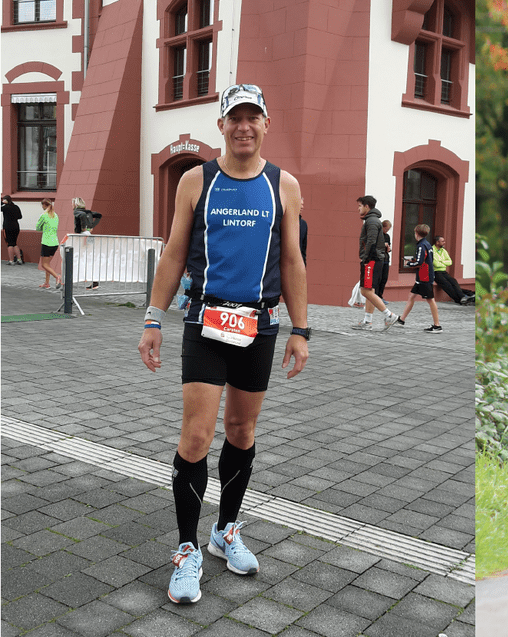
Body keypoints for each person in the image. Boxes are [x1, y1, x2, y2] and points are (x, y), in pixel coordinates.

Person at [137, 83, 310, 605]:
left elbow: (293, 260)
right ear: (221, 125)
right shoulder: (196, 180)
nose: (244, 126)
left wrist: (301, 330)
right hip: (204, 321)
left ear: (266, 124)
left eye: (253, 117)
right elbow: (173, 252)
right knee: (196, 436)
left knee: (241, 430)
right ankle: (187, 549)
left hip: (259, 325)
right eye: (235, 117)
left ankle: (224, 531)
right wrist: (153, 318)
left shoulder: (284, 185)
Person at [353, 195, 400, 330]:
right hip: (375, 259)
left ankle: (389, 315)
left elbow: (371, 241)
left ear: (367, 206)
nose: (358, 209)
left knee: (365, 291)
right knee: (370, 290)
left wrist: (366, 258)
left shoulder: (372, 221)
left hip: (371, 260)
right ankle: (368, 321)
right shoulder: (373, 220)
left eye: (360, 206)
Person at [395, 224, 442, 333]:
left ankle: (437, 325)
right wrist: (414, 259)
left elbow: (420, 262)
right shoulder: (427, 244)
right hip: (423, 276)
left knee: (430, 300)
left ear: (416, 234)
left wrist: (409, 264)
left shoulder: (421, 245)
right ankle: (401, 320)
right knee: (411, 296)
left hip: (424, 277)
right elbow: (425, 258)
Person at [433, 235, 475, 305]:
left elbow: (450, 262)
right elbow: (436, 264)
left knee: (454, 281)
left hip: (444, 272)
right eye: (442, 241)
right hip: (436, 272)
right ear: (437, 242)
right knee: (447, 285)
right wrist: (444, 263)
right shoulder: (432, 251)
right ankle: (461, 299)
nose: (444, 242)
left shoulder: (443, 251)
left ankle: (463, 297)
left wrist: (441, 262)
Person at [71, 197, 102, 289]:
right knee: (89, 257)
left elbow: (82, 216)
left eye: (72, 203)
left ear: (76, 204)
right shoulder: (88, 212)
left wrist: (84, 227)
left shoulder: (77, 212)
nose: (72, 205)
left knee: (77, 257)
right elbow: (99, 215)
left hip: (82, 235)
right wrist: (92, 226)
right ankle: (94, 282)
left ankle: (72, 278)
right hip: (89, 235)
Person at [36, 198, 62, 289]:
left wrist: (43, 227)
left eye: (42, 205)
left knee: (44, 264)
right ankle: (47, 283)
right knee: (48, 264)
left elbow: (37, 228)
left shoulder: (44, 215)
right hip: (55, 242)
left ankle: (57, 277)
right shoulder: (56, 215)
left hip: (46, 242)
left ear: (44, 205)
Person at [2, 195, 24, 265]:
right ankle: (19, 259)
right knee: (14, 243)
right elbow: (20, 217)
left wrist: (2, 203)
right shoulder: (16, 207)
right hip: (16, 227)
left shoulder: (5, 207)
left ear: (5, 200)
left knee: (10, 244)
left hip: (8, 227)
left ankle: (11, 261)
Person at [374, 219, 391, 301]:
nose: (387, 231)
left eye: (388, 230)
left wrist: (388, 248)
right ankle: (376, 295)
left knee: (384, 278)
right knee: (378, 278)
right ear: (382, 227)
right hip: (379, 259)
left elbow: (388, 248)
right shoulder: (377, 235)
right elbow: (375, 246)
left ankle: (380, 295)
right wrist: (383, 244)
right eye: (386, 229)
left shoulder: (387, 236)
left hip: (386, 258)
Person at [298, 198, 308, 265]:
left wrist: (304, 265)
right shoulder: (284, 222)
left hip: (298, 264)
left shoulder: (303, 224)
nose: (302, 207)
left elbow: (303, 249)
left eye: (302, 204)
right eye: (300, 204)